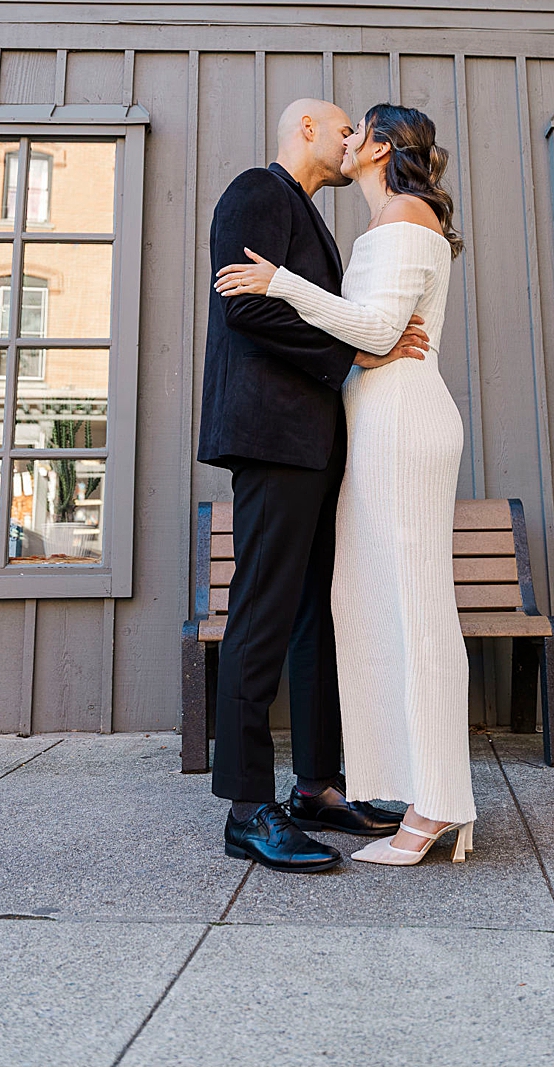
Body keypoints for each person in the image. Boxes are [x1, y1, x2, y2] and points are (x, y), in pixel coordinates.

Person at [216, 103, 477, 867]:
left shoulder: (370, 219)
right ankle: (247, 806)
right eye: (340, 126)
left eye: (358, 129)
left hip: (344, 439)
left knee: (319, 616)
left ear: (384, 147)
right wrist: (351, 353)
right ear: (307, 131)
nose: (347, 137)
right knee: (268, 613)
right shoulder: (258, 193)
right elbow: (249, 308)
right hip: (276, 437)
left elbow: (361, 321)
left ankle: (319, 785)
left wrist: (341, 330)